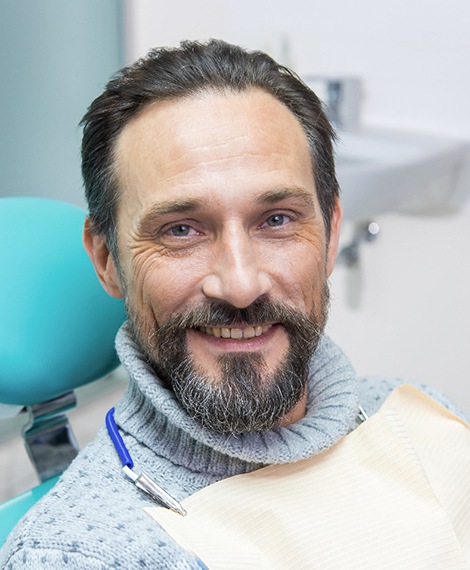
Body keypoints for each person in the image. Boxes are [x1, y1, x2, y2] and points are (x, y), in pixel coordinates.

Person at [0, 39, 466, 569]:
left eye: (277, 220)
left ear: (332, 232)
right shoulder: (80, 554)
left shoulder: (420, 417)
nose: (241, 286)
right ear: (107, 259)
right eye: (181, 230)